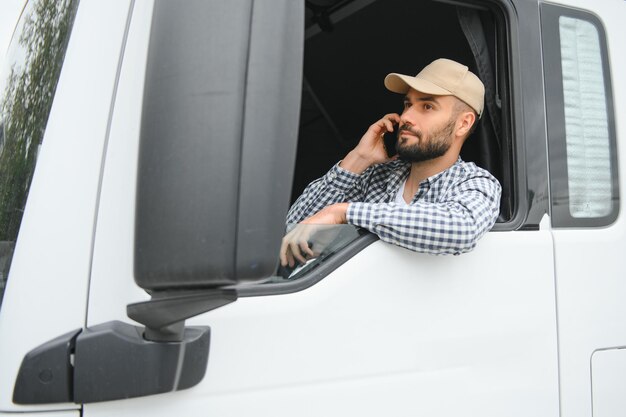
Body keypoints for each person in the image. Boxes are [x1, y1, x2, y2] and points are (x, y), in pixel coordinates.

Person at [280, 58, 502, 268]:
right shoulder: (376, 176)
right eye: (407, 104)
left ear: (463, 124)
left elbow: (459, 229)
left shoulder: (476, 183)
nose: (406, 117)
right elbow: (294, 229)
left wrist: (343, 212)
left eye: (427, 107)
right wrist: (358, 159)